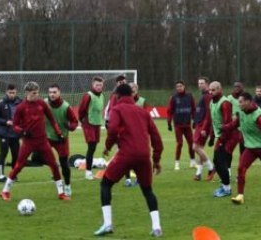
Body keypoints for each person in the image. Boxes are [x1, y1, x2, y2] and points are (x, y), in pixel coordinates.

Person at [94, 83, 164, 237]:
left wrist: (107, 146)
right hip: (144, 156)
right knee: (147, 190)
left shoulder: (117, 109)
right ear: (131, 95)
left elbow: (112, 129)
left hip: (126, 154)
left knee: (105, 184)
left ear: (118, 96)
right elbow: (156, 138)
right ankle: (157, 226)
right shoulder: (143, 112)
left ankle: (107, 224)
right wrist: (156, 159)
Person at [0, 82, 69, 201]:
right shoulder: (21, 107)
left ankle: (61, 193)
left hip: (42, 141)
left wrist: (59, 133)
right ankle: (5, 191)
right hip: (28, 142)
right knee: (19, 166)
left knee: (53, 164)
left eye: (37, 92)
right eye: (34, 93)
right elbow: (14, 125)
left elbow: (52, 120)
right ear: (27, 93)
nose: (37, 95)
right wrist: (23, 132)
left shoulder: (42, 103)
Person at [208, 81, 240, 198]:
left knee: (219, 161)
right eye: (210, 90)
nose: (211, 92)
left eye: (214, 90)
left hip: (229, 136)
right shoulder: (212, 102)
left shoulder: (225, 103)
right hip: (221, 136)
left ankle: (226, 188)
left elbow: (227, 123)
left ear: (220, 90)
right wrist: (212, 136)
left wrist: (222, 139)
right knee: (217, 161)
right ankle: (225, 185)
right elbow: (214, 121)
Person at [45, 84, 78, 197]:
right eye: (50, 92)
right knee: (37, 156)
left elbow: (75, 122)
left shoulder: (66, 107)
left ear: (59, 93)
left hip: (61, 139)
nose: (52, 94)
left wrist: (69, 126)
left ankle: (67, 186)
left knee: (64, 164)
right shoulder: (44, 104)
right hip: (47, 137)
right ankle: (54, 166)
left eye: (54, 92)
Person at [0, 84, 22, 182]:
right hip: (4, 133)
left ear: (16, 92)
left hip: (16, 134)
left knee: (16, 155)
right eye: (10, 93)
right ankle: (1, 176)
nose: (12, 95)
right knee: (3, 154)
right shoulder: (1, 103)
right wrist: (6, 122)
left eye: (13, 93)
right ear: (6, 92)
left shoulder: (20, 103)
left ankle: (13, 175)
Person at [78, 76, 105, 180]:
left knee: (93, 147)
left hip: (97, 123)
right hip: (88, 123)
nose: (99, 87)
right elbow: (82, 109)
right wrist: (82, 120)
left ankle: (88, 171)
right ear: (93, 85)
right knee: (91, 146)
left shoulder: (102, 95)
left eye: (100, 85)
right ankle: (88, 172)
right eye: (97, 85)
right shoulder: (88, 96)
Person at [166, 80, 196, 171]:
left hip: (187, 124)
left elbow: (194, 109)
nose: (179, 88)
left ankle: (193, 162)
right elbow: (170, 111)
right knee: (179, 143)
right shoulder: (174, 98)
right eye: (177, 86)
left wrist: (195, 120)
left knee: (191, 143)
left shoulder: (190, 96)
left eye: (180, 86)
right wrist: (169, 123)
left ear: (184, 86)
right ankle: (177, 163)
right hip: (178, 125)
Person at [192, 77, 215, 181]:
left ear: (207, 84)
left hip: (203, 125)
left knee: (195, 147)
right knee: (200, 148)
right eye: (199, 83)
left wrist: (205, 128)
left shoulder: (208, 96)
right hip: (199, 124)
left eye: (202, 83)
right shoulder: (204, 95)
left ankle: (211, 167)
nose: (200, 85)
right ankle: (198, 173)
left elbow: (208, 113)